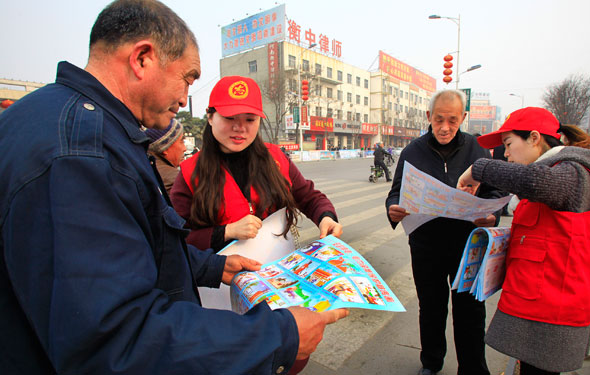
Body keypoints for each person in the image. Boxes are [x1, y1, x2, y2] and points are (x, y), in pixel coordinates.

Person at [0, 1, 347, 373]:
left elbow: (145, 246)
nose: (184, 99)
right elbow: (116, 338)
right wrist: (278, 335)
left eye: (249, 120)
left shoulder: (63, 122)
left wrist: (212, 267)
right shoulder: (82, 154)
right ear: (143, 58)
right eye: (187, 78)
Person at [457, 107, 590, 375]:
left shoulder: (574, 172)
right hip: (536, 305)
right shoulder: (557, 170)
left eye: (508, 144)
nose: (505, 154)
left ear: (533, 138)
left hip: (553, 313)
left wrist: (479, 168)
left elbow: (538, 182)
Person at [385, 89, 502, 375]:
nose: (445, 127)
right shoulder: (413, 151)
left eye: (452, 120)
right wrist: (393, 208)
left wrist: (492, 215)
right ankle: (431, 363)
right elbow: (396, 191)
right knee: (432, 308)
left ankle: (473, 368)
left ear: (463, 117)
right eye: (439, 120)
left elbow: (495, 191)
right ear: (429, 117)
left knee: (471, 311)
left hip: (468, 245)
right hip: (427, 246)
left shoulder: (477, 150)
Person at [171, 75, 342, 253]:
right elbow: (177, 237)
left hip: (279, 271)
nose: (240, 128)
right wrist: (225, 232)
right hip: (223, 275)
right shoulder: (189, 173)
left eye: (250, 119)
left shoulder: (275, 158)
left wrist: (326, 217)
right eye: (230, 118)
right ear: (210, 117)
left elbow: (309, 197)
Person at [144, 118, 186, 193]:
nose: (184, 148)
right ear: (165, 148)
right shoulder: (175, 179)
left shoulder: (146, 167)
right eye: (181, 141)